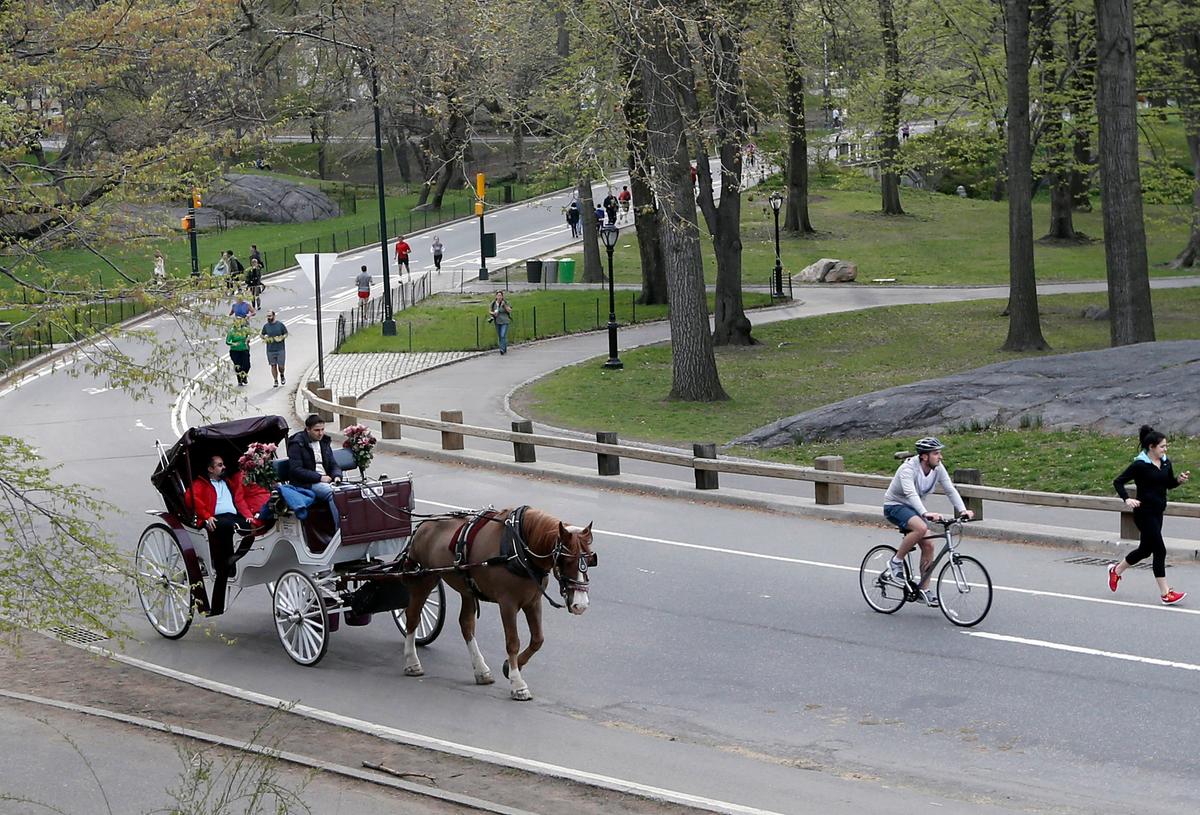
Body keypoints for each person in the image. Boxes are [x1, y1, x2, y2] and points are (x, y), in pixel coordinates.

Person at [882, 437, 973, 607]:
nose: (940, 457)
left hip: (915, 508)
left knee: (929, 545)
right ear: (924, 456)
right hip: (895, 505)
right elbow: (910, 494)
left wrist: (962, 510)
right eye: (936, 453)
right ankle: (895, 561)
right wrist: (925, 513)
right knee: (921, 527)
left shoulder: (938, 468)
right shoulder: (908, 469)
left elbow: (950, 489)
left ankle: (923, 589)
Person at [1109, 425, 1191, 605]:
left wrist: (1178, 480)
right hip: (1143, 513)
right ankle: (1166, 593)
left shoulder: (1166, 462)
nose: (1165, 449)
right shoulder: (1140, 465)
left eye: (1166, 446)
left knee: (1145, 550)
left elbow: (1168, 484)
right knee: (1159, 550)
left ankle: (1116, 570)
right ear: (1152, 447)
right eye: (1162, 446)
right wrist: (1127, 500)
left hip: (1158, 511)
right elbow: (1118, 482)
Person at [183, 454, 254, 615]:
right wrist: (207, 516)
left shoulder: (227, 482)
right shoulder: (200, 484)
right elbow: (191, 498)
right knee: (225, 527)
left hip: (233, 516)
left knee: (250, 527)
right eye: (220, 465)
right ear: (210, 469)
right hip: (217, 518)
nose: (223, 468)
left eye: (223, 465)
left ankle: (241, 559)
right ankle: (226, 566)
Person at [287, 414, 342, 529]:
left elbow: (333, 464)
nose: (321, 433)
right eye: (317, 430)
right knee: (334, 494)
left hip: (326, 480)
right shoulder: (297, 443)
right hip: (306, 483)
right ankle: (340, 530)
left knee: (351, 491)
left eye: (322, 429)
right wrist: (319, 478)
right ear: (307, 429)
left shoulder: (324, 442)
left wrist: (337, 476)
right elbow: (296, 470)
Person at [261, 310, 288, 387]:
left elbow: (286, 333)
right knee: (273, 365)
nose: (268, 318)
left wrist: (281, 338)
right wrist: (265, 338)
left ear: (274, 316)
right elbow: (262, 335)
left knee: (281, 366)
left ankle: (282, 375)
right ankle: (275, 380)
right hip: (270, 349)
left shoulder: (280, 325)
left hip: (280, 349)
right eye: (267, 316)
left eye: (270, 316)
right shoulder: (266, 326)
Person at [225, 318, 251, 386]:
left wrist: (247, 339)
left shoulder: (244, 329)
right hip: (235, 351)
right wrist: (233, 344)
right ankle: (239, 380)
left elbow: (250, 334)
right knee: (238, 365)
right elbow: (227, 341)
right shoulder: (231, 331)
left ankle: (244, 376)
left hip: (244, 349)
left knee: (247, 365)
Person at [489, 290, 512, 355]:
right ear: (496, 296)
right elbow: (490, 311)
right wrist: (493, 313)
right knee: (500, 335)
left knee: (503, 335)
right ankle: (504, 347)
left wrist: (504, 306)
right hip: (497, 321)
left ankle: (501, 349)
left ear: (502, 296)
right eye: (498, 295)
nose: (499, 297)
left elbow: (509, 310)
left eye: (500, 295)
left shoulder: (505, 302)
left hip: (505, 321)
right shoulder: (493, 303)